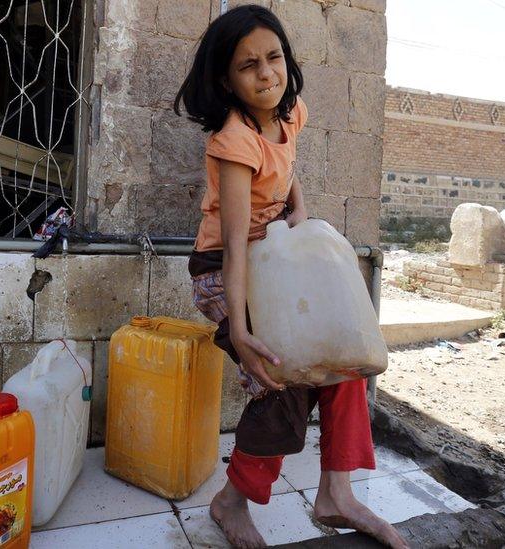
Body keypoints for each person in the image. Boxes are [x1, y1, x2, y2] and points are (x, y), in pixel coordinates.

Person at [173, 6, 409, 549]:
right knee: (283, 378)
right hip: (223, 272)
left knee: (344, 356)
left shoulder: (290, 112)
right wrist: (239, 332)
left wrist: (297, 209)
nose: (266, 73)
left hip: (279, 258)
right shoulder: (233, 143)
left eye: (274, 57)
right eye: (248, 65)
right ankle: (230, 503)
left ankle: (338, 494)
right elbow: (233, 246)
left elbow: (288, 170)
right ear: (226, 80)